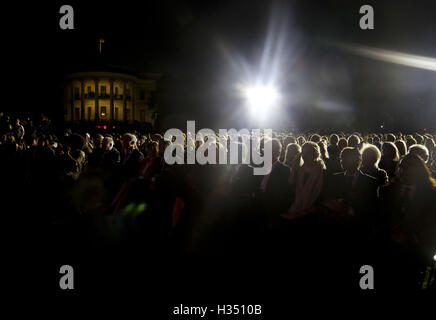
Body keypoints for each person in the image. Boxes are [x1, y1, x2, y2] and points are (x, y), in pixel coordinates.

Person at [282, 141, 325, 220]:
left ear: (315, 154)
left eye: (308, 153)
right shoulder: (300, 169)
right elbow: (291, 184)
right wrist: (294, 167)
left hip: (312, 211)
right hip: (297, 206)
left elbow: (320, 194)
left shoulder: (321, 171)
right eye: (303, 153)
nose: (305, 155)